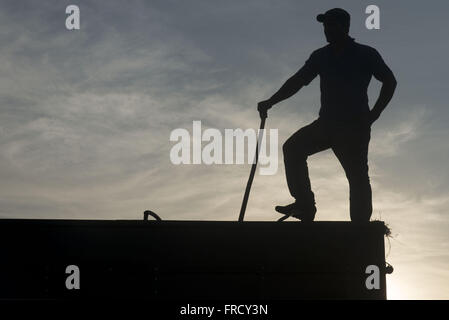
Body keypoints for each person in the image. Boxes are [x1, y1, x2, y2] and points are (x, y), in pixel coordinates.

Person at [257, 8, 397, 222]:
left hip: (353, 127)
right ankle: (304, 205)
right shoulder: (321, 56)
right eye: (325, 25)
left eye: (332, 25)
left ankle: (359, 228)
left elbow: (389, 81)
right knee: (293, 148)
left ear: (345, 27)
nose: (327, 30)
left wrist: (374, 114)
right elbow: (298, 81)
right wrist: (271, 101)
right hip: (326, 124)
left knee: (357, 177)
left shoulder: (365, 54)